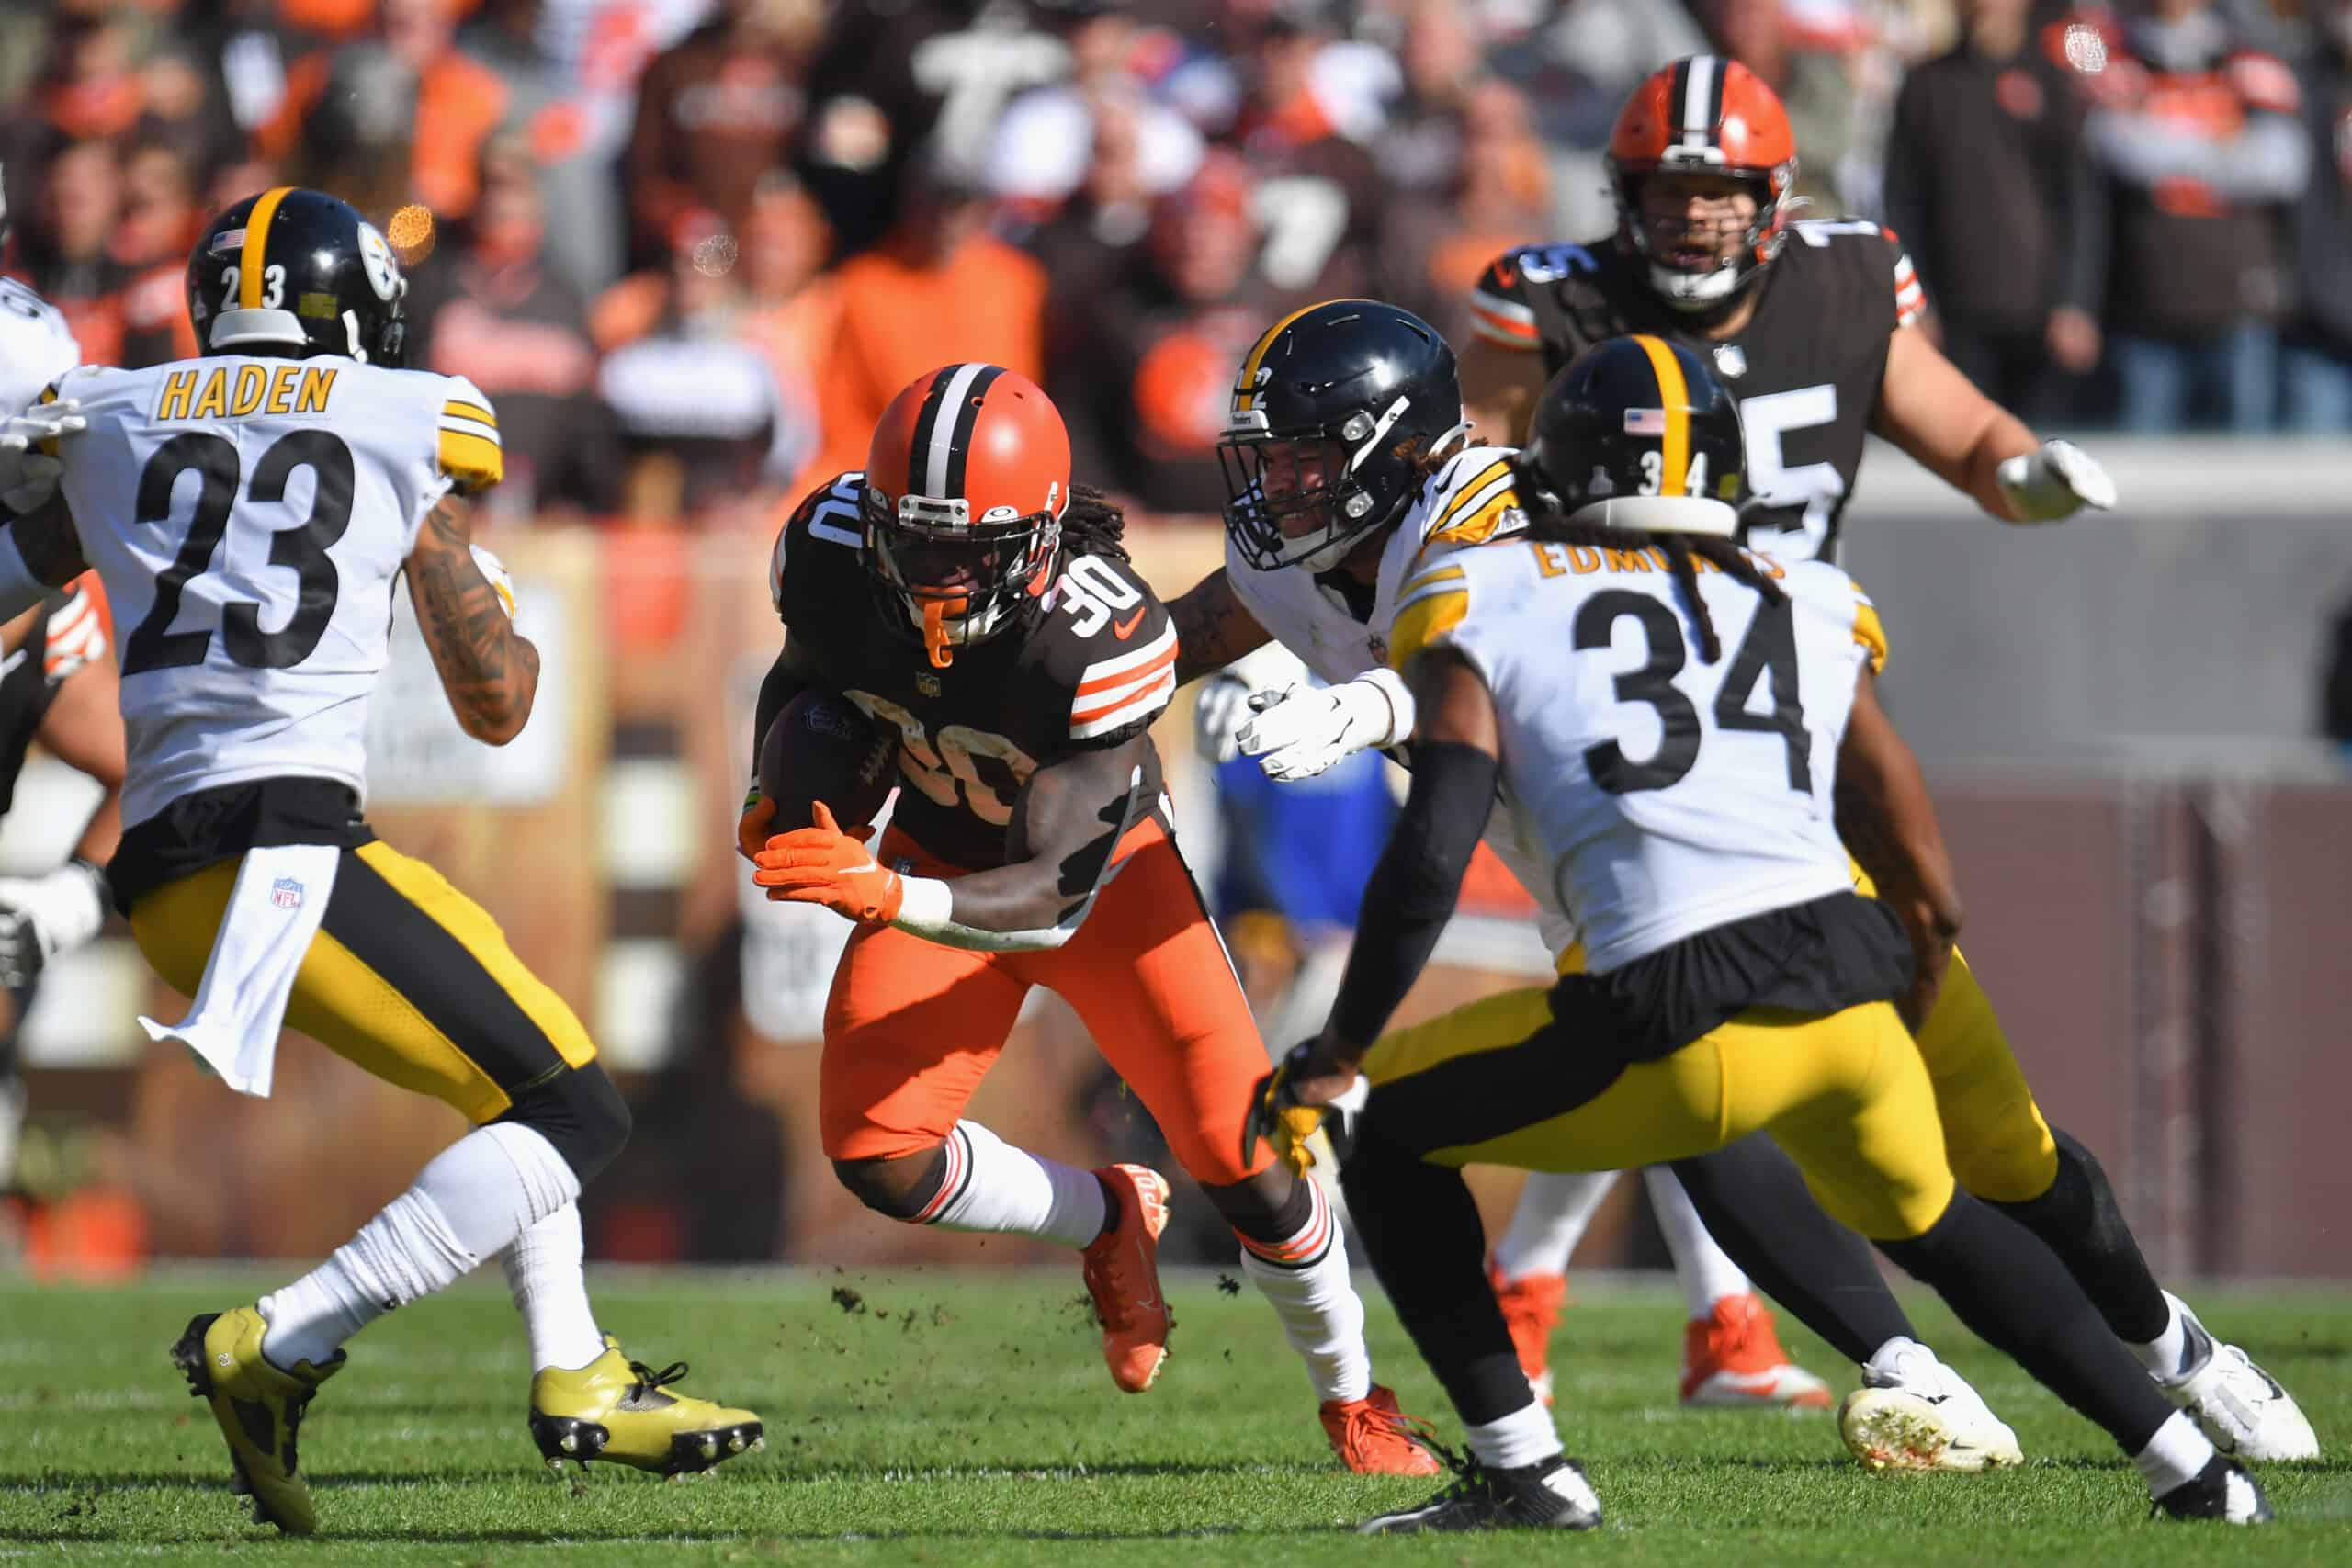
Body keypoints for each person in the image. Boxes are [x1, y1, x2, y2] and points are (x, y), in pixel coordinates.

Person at [1430, 55, 2312, 1465]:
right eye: (1672, 189)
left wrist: (2020, 470)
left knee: (1989, 1141)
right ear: (1626, 195)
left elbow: (1961, 428)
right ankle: (1902, 1357)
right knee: (1680, 1058)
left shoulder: (1845, 286)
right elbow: (1457, 496)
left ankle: (2165, 1342)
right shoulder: (1548, 300)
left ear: (1777, 199)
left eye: (1722, 190)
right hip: (1631, 744)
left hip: (1792, 728)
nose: (1698, 217)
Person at [1244, 334, 2276, 1532]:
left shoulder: (1491, 592)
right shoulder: (1803, 589)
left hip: (1682, 1000)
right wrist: (1930, 929)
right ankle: (2194, 1469)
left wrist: (1342, 1046)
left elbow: (1431, 858)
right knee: (1939, 1214)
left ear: (1557, 471)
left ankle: (1526, 1470)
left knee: (1381, 1133)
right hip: (1859, 973)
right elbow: (1887, 790)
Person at [0, 188, 761, 1534]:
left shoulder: (111, 409)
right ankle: (279, 1340)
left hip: (171, 877)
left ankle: (576, 1365)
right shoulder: (415, 415)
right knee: (576, 1112)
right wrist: (419, 526)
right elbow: (499, 702)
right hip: (279, 846)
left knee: (517, 1077)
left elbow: (29, 564)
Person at [1172, 299, 2037, 1463]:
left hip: (1690, 837)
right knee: (1711, 1116)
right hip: (1593, 863)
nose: (1276, 483)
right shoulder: (1304, 559)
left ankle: (2118, 1379)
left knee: (1912, 1159)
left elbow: (1510, 627)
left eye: (1301, 456)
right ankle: (1960, 1377)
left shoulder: (1482, 507)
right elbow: (1190, 629)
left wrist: (1366, 704)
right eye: (1266, 455)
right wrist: (1076, 665)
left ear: (1393, 447)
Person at [738, 363, 1437, 1476]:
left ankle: (1354, 1398)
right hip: (935, 850)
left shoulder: (1095, 639)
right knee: (877, 1150)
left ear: (1042, 538)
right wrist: (778, 797)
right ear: (872, 524)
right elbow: (803, 674)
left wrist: (888, 893)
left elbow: (1053, 888)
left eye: (971, 554)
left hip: (1108, 888)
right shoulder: (826, 556)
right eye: (917, 548)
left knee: (1245, 1162)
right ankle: (1105, 1216)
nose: (940, 581)